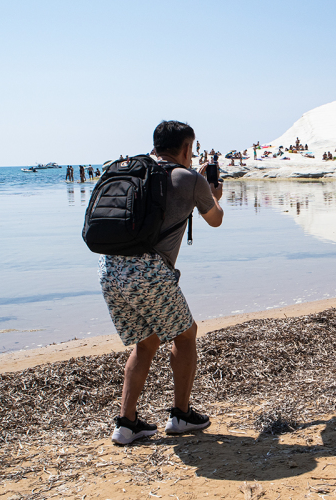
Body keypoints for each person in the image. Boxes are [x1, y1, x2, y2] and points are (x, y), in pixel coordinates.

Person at [102, 120, 224, 445]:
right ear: (186, 148)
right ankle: (181, 415)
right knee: (186, 336)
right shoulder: (190, 178)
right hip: (149, 270)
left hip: (110, 268)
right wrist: (212, 193)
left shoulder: (130, 170)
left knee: (147, 341)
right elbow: (216, 219)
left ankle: (126, 424)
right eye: (192, 147)